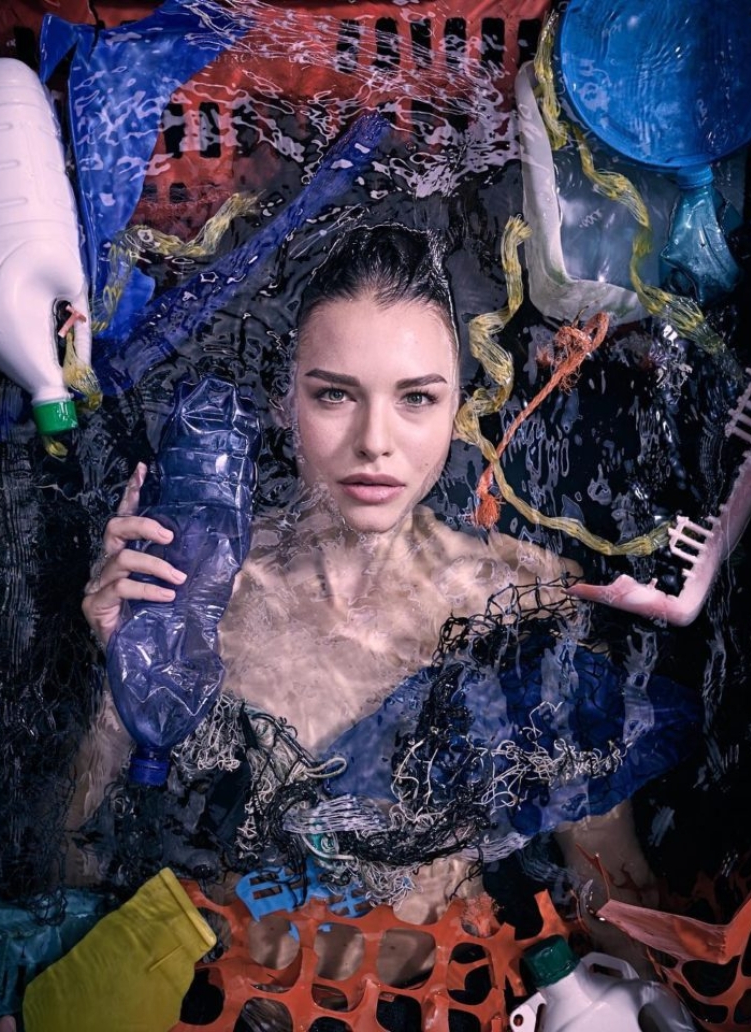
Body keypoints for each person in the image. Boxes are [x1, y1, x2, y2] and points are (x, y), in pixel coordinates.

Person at [74, 224, 689, 984]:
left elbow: (606, 889)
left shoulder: (519, 600)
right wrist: (120, 664)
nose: (375, 442)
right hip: (236, 1001)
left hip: (432, 1000)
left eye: (415, 399)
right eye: (334, 395)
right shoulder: (204, 596)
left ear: (458, 404)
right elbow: (70, 868)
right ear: (282, 402)